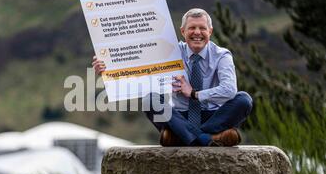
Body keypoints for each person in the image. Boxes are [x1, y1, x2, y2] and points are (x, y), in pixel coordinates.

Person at [92, 8, 253, 147]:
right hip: (180, 116)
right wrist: (108, 69)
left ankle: (180, 137)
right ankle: (208, 138)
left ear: (210, 31)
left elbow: (230, 90)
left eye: (202, 28)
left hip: (214, 116)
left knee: (244, 100)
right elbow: (137, 65)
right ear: (183, 32)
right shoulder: (169, 51)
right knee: (150, 100)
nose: (197, 32)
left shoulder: (222, 55)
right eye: (192, 28)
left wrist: (194, 94)